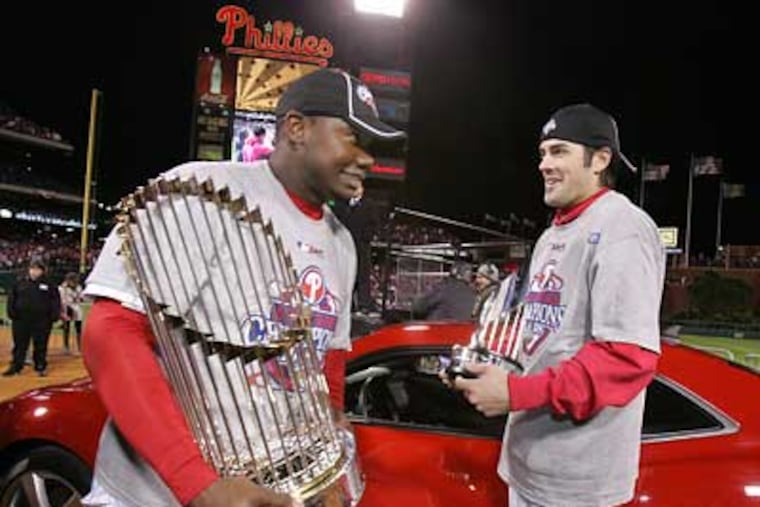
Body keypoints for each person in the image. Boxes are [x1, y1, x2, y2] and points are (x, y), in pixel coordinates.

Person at [79, 68, 406, 507]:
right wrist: (198, 485)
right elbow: (109, 332)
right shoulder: (201, 191)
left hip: (267, 489)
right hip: (155, 494)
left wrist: (332, 450)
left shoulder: (341, 243)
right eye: (352, 137)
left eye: (373, 146)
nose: (367, 158)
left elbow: (328, 361)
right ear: (297, 128)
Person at [449, 103, 665, 507]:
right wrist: (495, 368)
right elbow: (547, 338)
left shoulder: (623, 228)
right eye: (543, 153)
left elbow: (627, 358)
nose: (544, 164)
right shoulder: (554, 232)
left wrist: (516, 392)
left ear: (600, 160)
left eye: (559, 151)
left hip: (577, 480)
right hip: (530, 460)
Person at [3, 257, 60, 377]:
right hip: (21, 319)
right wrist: (11, 312)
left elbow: (55, 300)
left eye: (38, 269)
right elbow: (12, 298)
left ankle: (40, 365)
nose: (34, 271)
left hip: (42, 320)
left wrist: (54, 315)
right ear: (28, 270)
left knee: (41, 344)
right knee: (19, 344)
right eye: (32, 268)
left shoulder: (49, 284)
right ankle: (16, 366)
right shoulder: (20, 282)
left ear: (43, 271)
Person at [412, 262, 476, 321]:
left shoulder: (443, 288)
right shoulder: (474, 294)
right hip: (463, 332)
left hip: (439, 331)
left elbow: (419, 308)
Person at [59, 271, 84, 355]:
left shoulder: (78, 287)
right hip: (67, 308)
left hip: (77, 309)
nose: (73, 283)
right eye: (71, 281)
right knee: (66, 328)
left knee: (78, 328)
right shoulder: (63, 288)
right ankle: (66, 347)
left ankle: (79, 347)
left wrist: (78, 297)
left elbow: (81, 298)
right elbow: (62, 301)